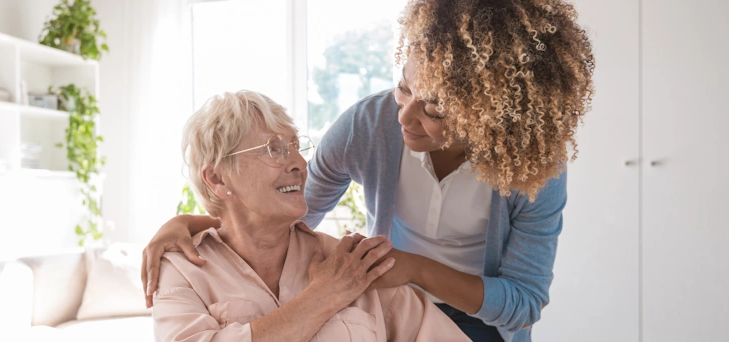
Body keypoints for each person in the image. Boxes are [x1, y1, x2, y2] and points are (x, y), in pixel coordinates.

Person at [144, 0, 594, 341]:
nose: (404, 116)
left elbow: (523, 302)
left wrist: (414, 268)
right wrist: (192, 222)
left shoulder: (533, 167)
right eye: (404, 86)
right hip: (391, 296)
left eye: (433, 107)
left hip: (481, 320)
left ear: (486, 114)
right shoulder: (367, 124)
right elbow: (288, 213)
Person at [152, 90, 470, 341]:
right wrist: (322, 297)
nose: (300, 164)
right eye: (273, 149)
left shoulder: (352, 263)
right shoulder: (182, 271)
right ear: (218, 179)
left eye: (295, 146)